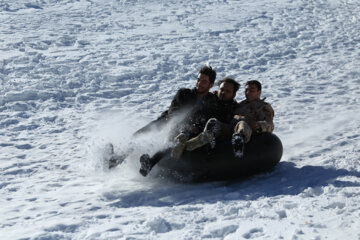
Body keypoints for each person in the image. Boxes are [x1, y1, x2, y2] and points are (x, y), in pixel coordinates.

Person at [139, 66, 219, 176]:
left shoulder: (212, 102)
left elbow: (207, 119)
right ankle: (118, 157)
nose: (199, 83)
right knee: (144, 132)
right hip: (167, 121)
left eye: (204, 81)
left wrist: (192, 127)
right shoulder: (183, 93)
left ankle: (150, 164)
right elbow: (173, 112)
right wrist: (183, 123)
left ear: (211, 85)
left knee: (177, 137)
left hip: (186, 131)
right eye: (198, 79)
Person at [185, 77, 240, 151]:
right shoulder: (208, 99)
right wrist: (192, 126)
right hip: (199, 130)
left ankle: (202, 140)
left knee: (215, 123)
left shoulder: (234, 108)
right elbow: (195, 114)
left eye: (228, 91)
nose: (223, 92)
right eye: (222, 89)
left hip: (220, 136)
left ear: (234, 95)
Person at [231, 80, 274, 159]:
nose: (248, 93)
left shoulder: (263, 107)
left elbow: (269, 124)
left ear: (259, 92)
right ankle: (208, 137)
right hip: (232, 129)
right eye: (246, 90)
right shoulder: (240, 105)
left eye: (251, 90)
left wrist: (258, 125)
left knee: (242, 124)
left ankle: (239, 140)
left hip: (251, 134)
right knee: (215, 122)